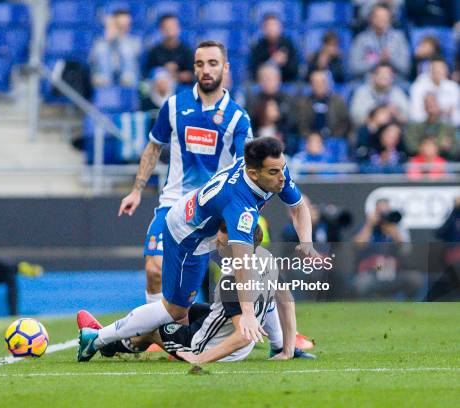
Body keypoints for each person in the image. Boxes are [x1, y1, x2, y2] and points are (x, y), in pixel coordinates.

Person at [79, 137, 318, 362]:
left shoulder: (273, 171)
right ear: (253, 174)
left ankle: (280, 347)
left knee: (264, 276)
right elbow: (242, 261)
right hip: (187, 235)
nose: (282, 178)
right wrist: (246, 312)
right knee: (174, 309)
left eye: (282, 168)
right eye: (274, 172)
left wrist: (306, 242)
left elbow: (298, 207)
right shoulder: (238, 205)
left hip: (207, 222)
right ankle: (98, 338)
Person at [118, 41, 253, 305]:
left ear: (225, 68)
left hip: (215, 209)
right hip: (173, 203)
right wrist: (136, 189)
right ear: (193, 68)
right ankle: (158, 334)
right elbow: (154, 147)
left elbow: (245, 166)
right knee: (154, 269)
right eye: (200, 64)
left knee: (244, 272)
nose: (206, 70)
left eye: (213, 63)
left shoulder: (238, 117)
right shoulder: (174, 106)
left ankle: (281, 336)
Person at [77, 224, 315, 362]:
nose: (216, 245)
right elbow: (286, 301)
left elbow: (244, 334)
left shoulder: (232, 280)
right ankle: (106, 338)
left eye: (221, 243)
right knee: (180, 310)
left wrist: (200, 358)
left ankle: (104, 343)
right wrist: (285, 348)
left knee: (153, 328)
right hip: (230, 336)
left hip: (207, 346)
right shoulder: (267, 258)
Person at [349, 3, 410, 79]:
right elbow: (354, 69)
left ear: (390, 19)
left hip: (395, 82)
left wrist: (390, 59)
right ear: (371, 18)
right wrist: (377, 61)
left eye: (385, 16)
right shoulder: (361, 39)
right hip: (367, 82)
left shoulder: (399, 38)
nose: (382, 19)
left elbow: (406, 68)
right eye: (378, 16)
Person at [90, 9, 141, 88]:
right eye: (120, 25)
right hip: (104, 76)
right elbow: (92, 59)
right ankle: (105, 84)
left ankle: (126, 81)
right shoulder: (101, 42)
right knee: (102, 48)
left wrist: (118, 38)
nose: (124, 27)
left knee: (126, 48)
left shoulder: (134, 41)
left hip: (130, 77)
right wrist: (108, 38)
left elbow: (137, 55)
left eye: (127, 24)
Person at [295, 70, 350, 139]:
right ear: (311, 85)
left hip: (334, 138)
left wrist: (335, 136)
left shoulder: (338, 101)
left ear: (328, 83)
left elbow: (344, 122)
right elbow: (301, 125)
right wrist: (311, 137)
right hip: (309, 139)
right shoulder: (303, 103)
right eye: (316, 82)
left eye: (323, 82)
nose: (320, 85)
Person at [143, 14, 193, 85]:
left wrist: (175, 75)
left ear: (179, 28)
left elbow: (192, 75)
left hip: (182, 89)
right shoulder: (154, 51)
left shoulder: (187, 50)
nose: (170, 29)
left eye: (173, 26)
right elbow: (148, 74)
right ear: (161, 29)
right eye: (167, 27)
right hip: (158, 89)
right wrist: (163, 71)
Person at [248, 14, 299, 82]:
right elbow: (254, 71)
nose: (271, 29)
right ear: (263, 29)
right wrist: (272, 62)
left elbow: (295, 70)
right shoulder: (257, 47)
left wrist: (284, 63)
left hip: (286, 82)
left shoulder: (289, 45)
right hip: (264, 85)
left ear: (280, 27)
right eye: (268, 26)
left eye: (274, 25)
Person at [406, 94, 458, 160]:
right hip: (420, 163)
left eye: (432, 102)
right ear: (424, 106)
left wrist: (447, 148)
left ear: (438, 104)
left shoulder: (448, 127)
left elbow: (456, 150)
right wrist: (426, 148)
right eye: (427, 103)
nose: (430, 105)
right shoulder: (416, 127)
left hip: (444, 163)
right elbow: (410, 147)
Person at [410, 58, 459, 126]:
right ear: (430, 70)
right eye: (436, 69)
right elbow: (415, 116)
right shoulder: (418, 87)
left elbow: (457, 118)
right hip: (425, 128)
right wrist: (433, 114)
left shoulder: (453, 87)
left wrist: (447, 113)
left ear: (446, 70)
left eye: (441, 69)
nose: (438, 72)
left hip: (448, 128)